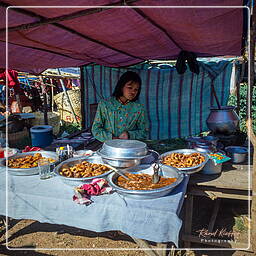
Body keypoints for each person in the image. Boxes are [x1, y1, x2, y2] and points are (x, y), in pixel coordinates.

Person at [92, 71, 149, 142]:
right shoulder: (105, 104)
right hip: (109, 147)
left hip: (130, 148)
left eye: (136, 89)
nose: (133, 92)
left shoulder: (139, 108)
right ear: (121, 86)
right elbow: (96, 129)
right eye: (130, 87)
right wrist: (111, 138)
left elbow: (144, 132)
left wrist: (129, 134)